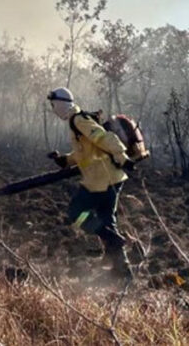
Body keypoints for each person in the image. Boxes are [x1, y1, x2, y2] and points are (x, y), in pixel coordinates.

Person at [46, 86, 132, 281]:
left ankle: (112, 240)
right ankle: (122, 270)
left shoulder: (79, 120)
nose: (53, 110)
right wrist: (65, 160)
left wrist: (121, 155)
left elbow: (103, 137)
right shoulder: (75, 121)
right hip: (110, 179)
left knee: (76, 214)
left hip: (100, 181)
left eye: (53, 105)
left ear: (60, 104)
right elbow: (85, 152)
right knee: (107, 221)